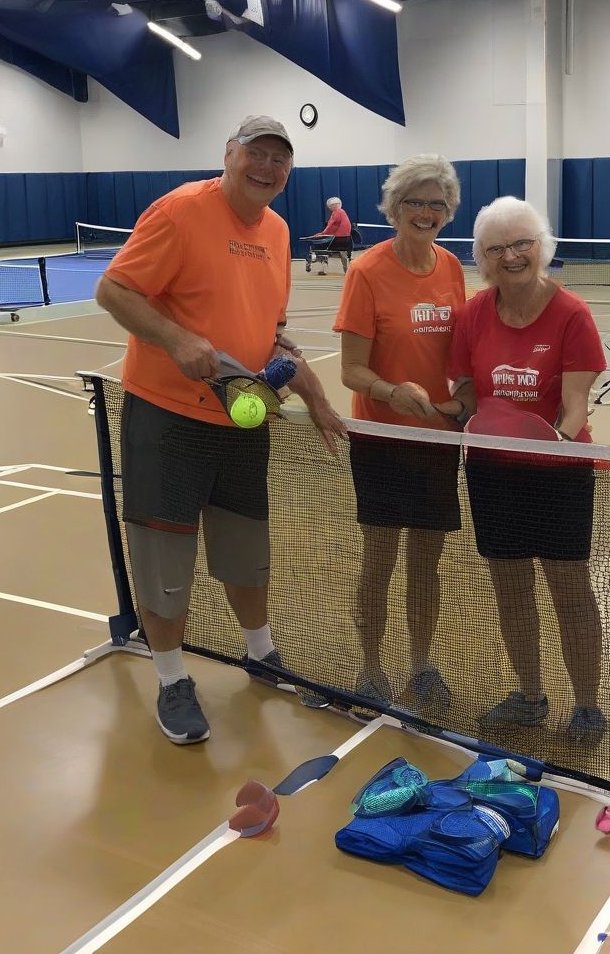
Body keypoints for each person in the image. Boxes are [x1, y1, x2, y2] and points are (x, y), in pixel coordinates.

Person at [95, 115, 346, 745]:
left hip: (243, 417)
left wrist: (313, 392)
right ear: (228, 155)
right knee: (165, 554)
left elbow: (269, 335)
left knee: (245, 547)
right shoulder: (180, 211)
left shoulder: (280, 230)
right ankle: (173, 678)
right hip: (167, 415)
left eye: (279, 160)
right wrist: (177, 339)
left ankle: (259, 652)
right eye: (255, 154)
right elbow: (114, 288)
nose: (266, 167)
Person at [447, 196, 608, 745]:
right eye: (498, 248)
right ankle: (531, 696)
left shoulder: (572, 314)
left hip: (558, 472)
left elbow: (576, 405)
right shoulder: (472, 314)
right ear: (483, 257)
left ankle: (586, 703)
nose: (511, 256)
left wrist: (555, 441)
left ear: (541, 247)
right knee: (511, 587)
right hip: (493, 474)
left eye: (522, 244)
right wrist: (437, 411)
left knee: (570, 589)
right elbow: (467, 393)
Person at [333, 154, 465, 713]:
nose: (427, 213)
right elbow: (351, 370)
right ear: (395, 207)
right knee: (380, 558)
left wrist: (464, 399)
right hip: (383, 441)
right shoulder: (366, 271)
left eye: (438, 204)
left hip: (437, 441)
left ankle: (420, 663)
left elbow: (461, 354)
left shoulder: (453, 268)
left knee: (426, 562)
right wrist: (392, 392)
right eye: (416, 202)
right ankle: (370, 666)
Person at [308, 196, 353, 274]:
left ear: (333, 205)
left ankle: (323, 269)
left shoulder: (336, 212)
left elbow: (330, 226)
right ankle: (346, 269)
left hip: (338, 240)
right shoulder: (342, 212)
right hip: (347, 240)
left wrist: (321, 234)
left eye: (330, 206)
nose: (329, 208)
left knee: (320, 247)